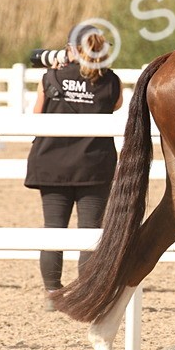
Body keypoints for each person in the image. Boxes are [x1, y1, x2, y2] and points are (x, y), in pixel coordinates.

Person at [24, 25, 123, 310]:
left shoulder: (50, 76)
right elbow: (116, 105)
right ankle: (86, 293)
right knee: (89, 232)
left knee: (53, 229)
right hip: (94, 165)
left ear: (71, 49)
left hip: (52, 163)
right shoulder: (111, 81)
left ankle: (52, 293)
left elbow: (36, 115)